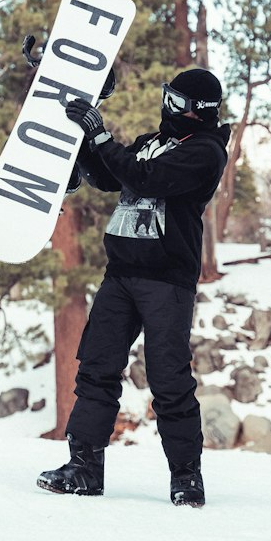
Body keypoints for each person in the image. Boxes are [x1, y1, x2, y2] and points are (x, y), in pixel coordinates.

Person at [37, 67, 230, 508]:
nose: (169, 108)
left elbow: (148, 179)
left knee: (168, 380)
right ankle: (84, 469)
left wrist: (101, 136)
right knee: (96, 369)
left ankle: (186, 477)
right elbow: (111, 176)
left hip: (166, 282)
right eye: (169, 97)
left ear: (201, 113)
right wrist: (84, 138)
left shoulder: (205, 152)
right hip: (120, 275)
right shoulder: (151, 142)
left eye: (178, 103)